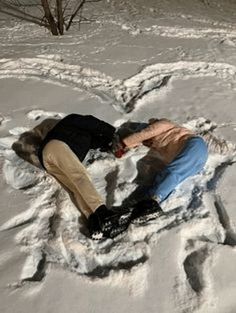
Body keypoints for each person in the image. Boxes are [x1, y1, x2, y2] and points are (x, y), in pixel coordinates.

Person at [12, 114, 131, 240]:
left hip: (47, 160)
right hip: (56, 146)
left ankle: (94, 220)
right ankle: (103, 214)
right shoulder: (70, 121)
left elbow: (98, 141)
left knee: (75, 188)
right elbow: (92, 122)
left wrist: (110, 144)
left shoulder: (87, 138)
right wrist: (112, 131)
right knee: (80, 176)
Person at [113, 118, 208, 223]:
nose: (146, 142)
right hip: (197, 159)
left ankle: (152, 202)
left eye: (146, 140)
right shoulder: (160, 141)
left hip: (194, 145)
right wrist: (129, 147)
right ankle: (143, 205)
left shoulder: (163, 125)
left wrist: (123, 144)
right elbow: (141, 139)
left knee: (172, 172)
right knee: (166, 175)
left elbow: (145, 133)